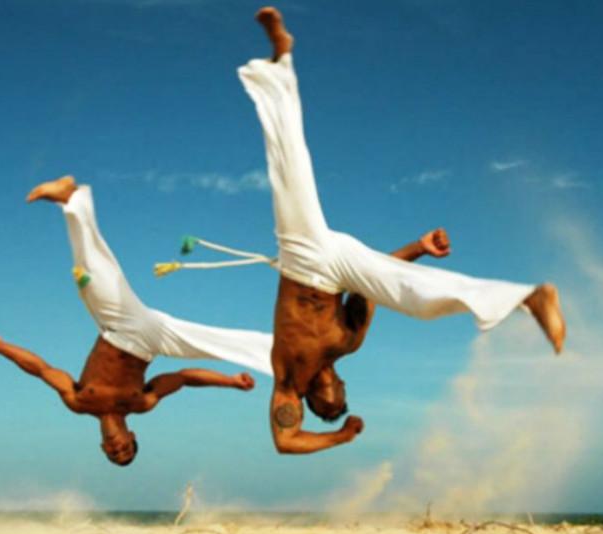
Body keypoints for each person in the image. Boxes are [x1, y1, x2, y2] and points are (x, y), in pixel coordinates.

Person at [238, 7, 566, 454]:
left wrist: (336, 435)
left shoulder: (289, 379)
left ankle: (280, 62)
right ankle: (529, 296)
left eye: (329, 399)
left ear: (313, 397)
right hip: (341, 266)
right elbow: (381, 281)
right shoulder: (349, 340)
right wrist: (421, 248)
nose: (334, 391)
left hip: (303, 260)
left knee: (289, 164)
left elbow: (285, 442)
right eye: (341, 397)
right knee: (416, 300)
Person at [0, 176, 273, 466]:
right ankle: (289, 356)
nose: (117, 447)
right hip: (152, 340)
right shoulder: (141, 403)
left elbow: (42, 370)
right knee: (219, 344)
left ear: (104, 448)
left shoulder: (80, 402)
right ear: (131, 435)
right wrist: (230, 382)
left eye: (114, 453)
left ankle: (71, 198)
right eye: (125, 448)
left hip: (119, 327)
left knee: (91, 279)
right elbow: (183, 378)